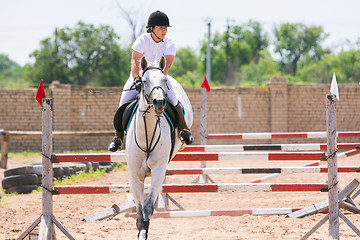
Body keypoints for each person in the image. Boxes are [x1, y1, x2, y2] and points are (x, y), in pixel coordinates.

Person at [108, 10, 193, 152]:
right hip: (139, 76)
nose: (164, 31)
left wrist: (159, 81)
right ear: (151, 28)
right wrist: (136, 80)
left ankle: (184, 130)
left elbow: (166, 67)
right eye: (161, 28)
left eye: (165, 28)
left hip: (159, 78)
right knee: (122, 104)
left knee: (174, 101)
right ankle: (118, 137)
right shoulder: (142, 40)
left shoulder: (169, 43)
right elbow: (135, 63)